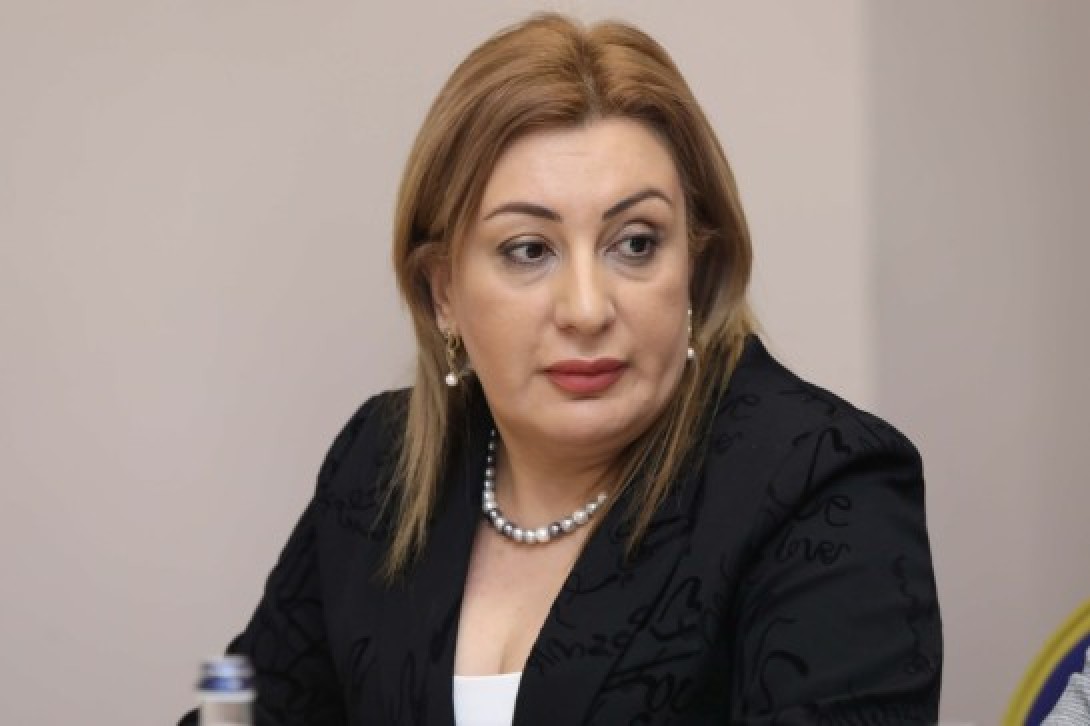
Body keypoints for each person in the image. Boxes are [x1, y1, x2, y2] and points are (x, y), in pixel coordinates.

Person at [180, 13, 941, 725]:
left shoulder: (823, 483)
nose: (586, 308)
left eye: (636, 243)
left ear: (696, 265)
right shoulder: (377, 469)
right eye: (529, 250)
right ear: (443, 292)